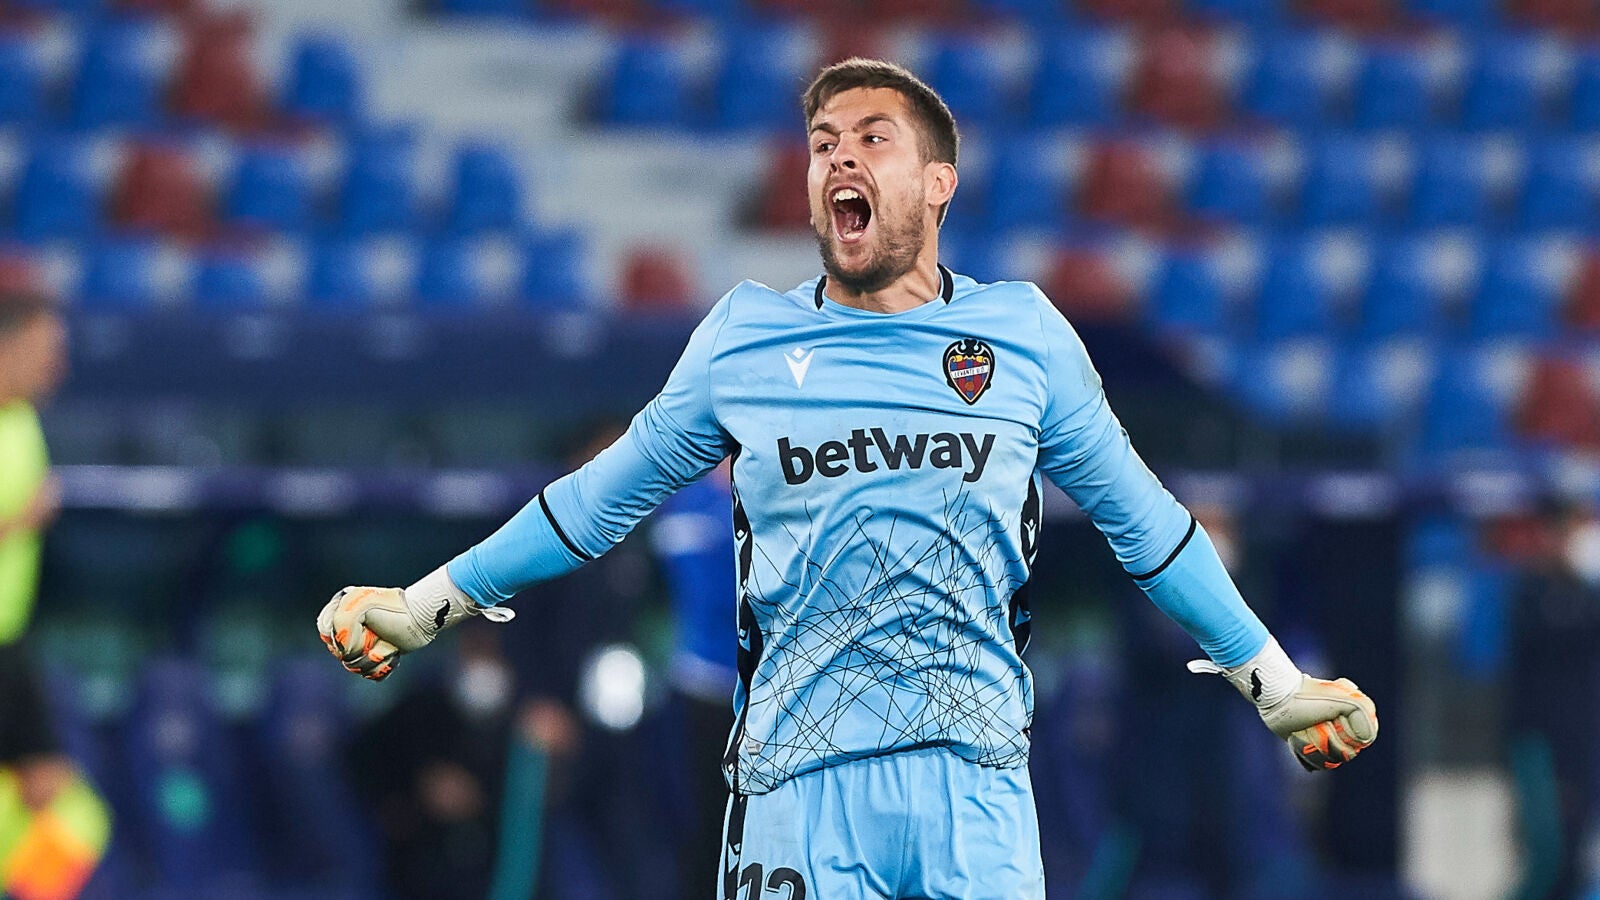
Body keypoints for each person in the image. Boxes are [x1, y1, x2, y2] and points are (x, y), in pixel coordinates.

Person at [318, 58, 1379, 898]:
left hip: (977, 789)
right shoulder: (745, 339)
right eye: (823, 143)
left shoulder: (1021, 334)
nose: (838, 159)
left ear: (937, 183)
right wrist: (423, 606)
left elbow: (1147, 524)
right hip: (798, 790)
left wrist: (1278, 685)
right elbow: (593, 504)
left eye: (872, 138)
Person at [0, 291, 70, 812]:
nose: (55, 367)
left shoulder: (24, 419)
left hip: (10, 638)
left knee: (47, 790)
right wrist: (22, 520)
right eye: (43, 352)